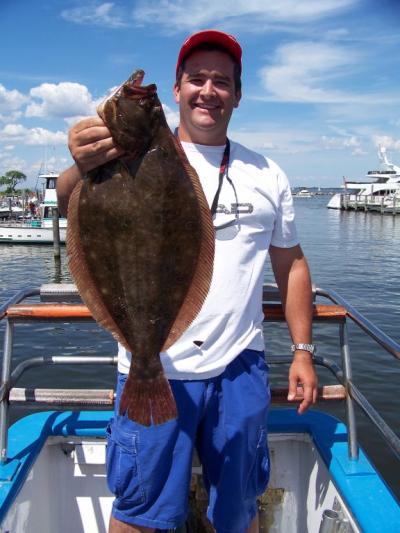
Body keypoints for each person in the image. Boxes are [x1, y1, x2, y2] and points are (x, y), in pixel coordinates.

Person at [57, 29, 318, 533]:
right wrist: (79, 162)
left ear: (238, 96)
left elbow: (293, 265)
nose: (208, 90)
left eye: (222, 81)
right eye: (195, 78)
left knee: (239, 511)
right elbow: (72, 199)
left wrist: (303, 349)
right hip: (150, 366)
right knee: (140, 512)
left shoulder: (268, 173)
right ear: (177, 91)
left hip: (239, 369)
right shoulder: (111, 161)